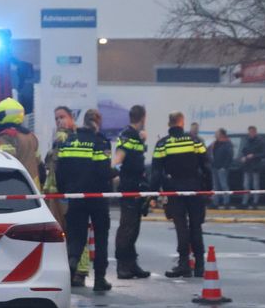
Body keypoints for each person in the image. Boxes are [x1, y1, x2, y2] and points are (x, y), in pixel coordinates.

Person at [56, 109, 114, 291]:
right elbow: (104, 172)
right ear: (97, 123)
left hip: (75, 197)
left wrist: (65, 192)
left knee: (76, 236)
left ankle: (72, 264)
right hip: (97, 197)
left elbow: (60, 171)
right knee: (101, 237)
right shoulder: (100, 142)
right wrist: (116, 172)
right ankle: (100, 280)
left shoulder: (69, 142)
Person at [151, 111, 212, 278]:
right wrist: (209, 189)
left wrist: (152, 194)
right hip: (194, 189)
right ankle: (199, 266)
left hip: (174, 190)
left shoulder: (162, 144)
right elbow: (206, 166)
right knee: (195, 226)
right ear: (182, 123)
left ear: (169, 124)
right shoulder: (194, 141)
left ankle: (184, 264)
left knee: (181, 227)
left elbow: (156, 172)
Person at [113, 105, 151, 279]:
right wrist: (114, 172)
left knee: (134, 228)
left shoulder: (135, 137)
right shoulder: (127, 136)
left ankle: (132, 264)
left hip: (137, 188)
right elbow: (118, 159)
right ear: (143, 118)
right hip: (128, 188)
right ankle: (122, 266)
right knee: (127, 228)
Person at [0, 97, 41, 186]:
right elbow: (38, 161)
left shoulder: (6, 137)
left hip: (16, 184)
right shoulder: (31, 135)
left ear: (1, 115)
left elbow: (5, 162)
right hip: (34, 186)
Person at [239, 126, 265, 210]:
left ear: (255, 132)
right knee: (246, 185)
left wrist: (254, 155)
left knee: (255, 185)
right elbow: (243, 150)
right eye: (249, 132)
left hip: (255, 166)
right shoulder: (246, 140)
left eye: (252, 132)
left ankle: (255, 202)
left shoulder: (260, 141)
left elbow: (264, 154)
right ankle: (245, 202)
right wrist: (243, 157)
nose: (250, 133)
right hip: (247, 166)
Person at [210, 128, 234, 208]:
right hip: (215, 167)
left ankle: (226, 202)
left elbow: (229, 156)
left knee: (224, 185)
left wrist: (225, 166)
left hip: (222, 168)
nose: (215, 135)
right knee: (215, 186)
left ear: (221, 134)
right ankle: (215, 202)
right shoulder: (216, 143)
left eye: (217, 133)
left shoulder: (227, 143)